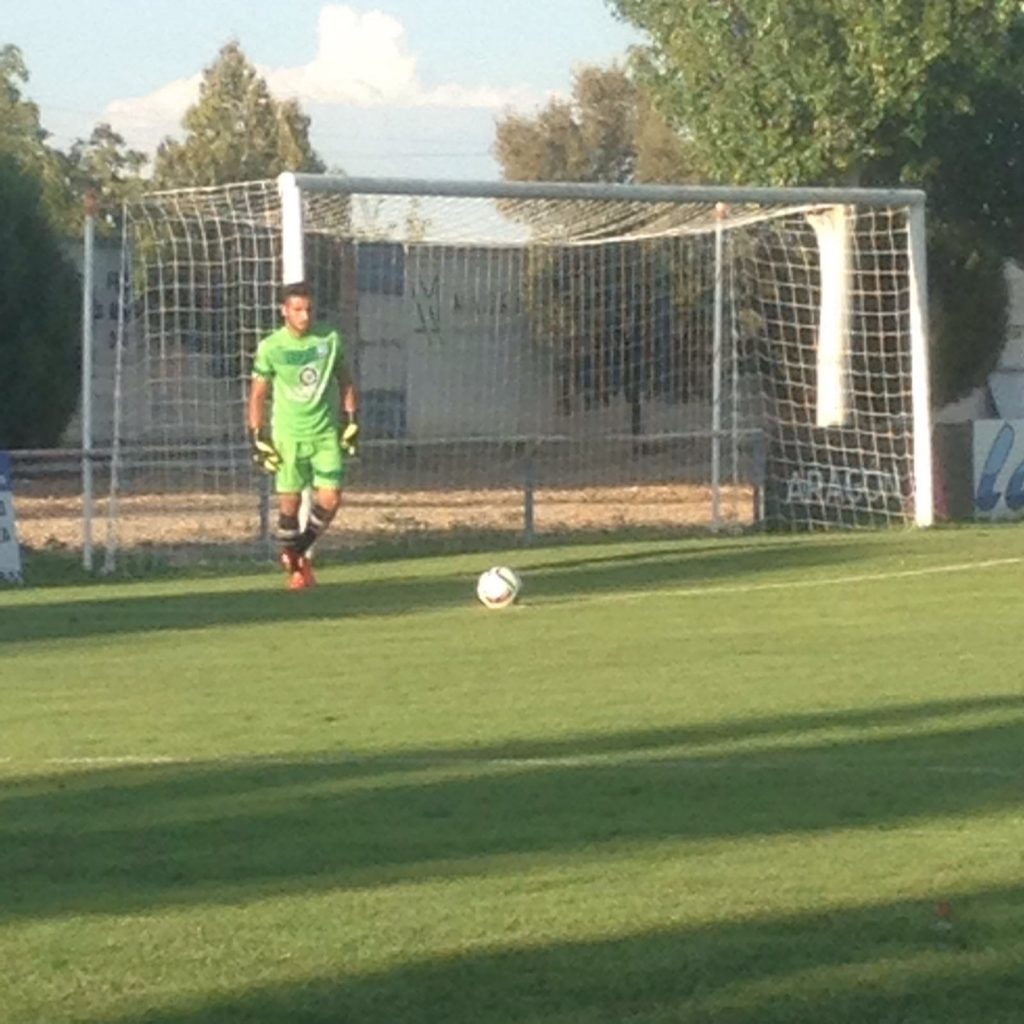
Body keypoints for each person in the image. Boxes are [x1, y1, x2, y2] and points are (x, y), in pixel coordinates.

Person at [248, 281, 358, 590]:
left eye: (309, 310)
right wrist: (257, 437)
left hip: (324, 431)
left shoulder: (330, 339)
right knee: (289, 505)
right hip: (288, 435)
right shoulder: (271, 347)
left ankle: (296, 551)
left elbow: (345, 378)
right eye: (297, 310)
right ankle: (298, 569)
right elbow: (257, 394)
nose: (305, 317)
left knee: (331, 497)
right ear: (285, 311)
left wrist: (352, 420)